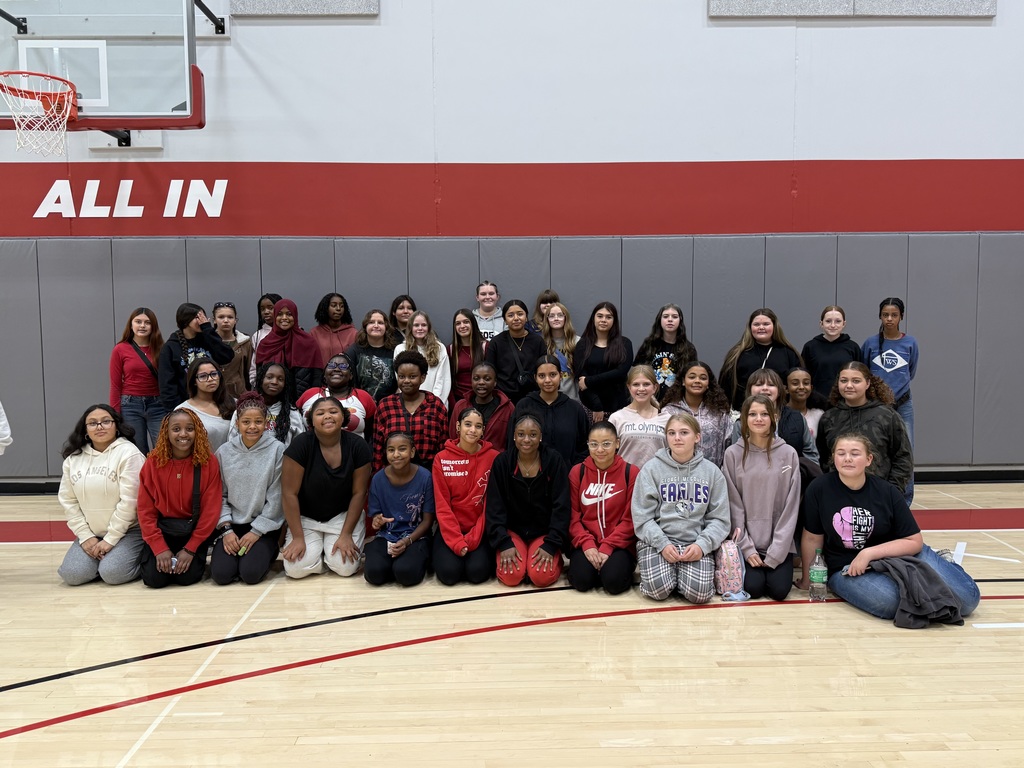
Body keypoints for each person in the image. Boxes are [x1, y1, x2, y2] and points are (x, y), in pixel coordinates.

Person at [798, 434, 979, 622]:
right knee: (892, 604)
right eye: (841, 453)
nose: (848, 459)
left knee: (968, 601)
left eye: (855, 453)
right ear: (833, 458)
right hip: (846, 567)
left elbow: (914, 541)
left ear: (869, 459)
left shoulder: (887, 491)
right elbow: (812, 538)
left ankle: (944, 563)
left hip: (897, 555)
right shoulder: (819, 489)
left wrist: (868, 553)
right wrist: (807, 580)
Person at [631, 412, 730, 603]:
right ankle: (670, 577)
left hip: (694, 542)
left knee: (700, 595)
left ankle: (679, 577)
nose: (677, 438)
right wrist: (662, 543)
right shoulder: (651, 469)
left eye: (684, 432)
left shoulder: (712, 472)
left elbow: (720, 519)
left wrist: (702, 546)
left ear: (697, 437)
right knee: (657, 591)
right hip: (658, 542)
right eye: (671, 433)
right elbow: (642, 517)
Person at [280, 396, 371, 578]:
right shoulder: (301, 444)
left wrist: (346, 534)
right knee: (295, 570)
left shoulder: (358, 446)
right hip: (306, 518)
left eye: (333, 411)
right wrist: (298, 537)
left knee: (345, 568)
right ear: (311, 420)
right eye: (320, 413)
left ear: (343, 416)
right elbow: (289, 493)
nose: (327, 416)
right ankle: (321, 558)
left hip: (342, 517)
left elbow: (359, 493)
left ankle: (328, 553)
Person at [56, 404, 146, 586]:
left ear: (116, 426)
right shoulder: (74, 458)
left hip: (129, 530)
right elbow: (68, 501)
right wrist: (85, 536)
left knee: (113, 574)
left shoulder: (129, 454)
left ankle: (139, 558)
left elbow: (130, 502)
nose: (100, 426)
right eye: (93, 423)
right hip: (93, 533)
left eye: (106, 422)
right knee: (72, 575)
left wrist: (111, 539)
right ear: (85, 430)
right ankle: (102, 561)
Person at [722, 395, 800, 601]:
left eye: (764, 414)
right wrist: (746, 549)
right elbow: (733, 506)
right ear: (744, 419)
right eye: (753, 414)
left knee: (779, 591)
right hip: (747, 542)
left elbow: (791, 507)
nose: (759, 419)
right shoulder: (732, 454)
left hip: (779, 543)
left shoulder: (788, 453)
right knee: (753, 589)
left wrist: (777, 551)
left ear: (774, 417)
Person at [137, 409, 222, 588]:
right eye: (176, 429)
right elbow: (145, 511)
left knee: (186, 578)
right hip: (163, 530)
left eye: (189, 428)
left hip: (192, 531)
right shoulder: (152, 463)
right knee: (154, 580)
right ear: (166, 433)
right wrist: (159, 547)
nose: (183, 434)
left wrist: (191, 547)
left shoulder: (208, 462)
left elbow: (210, 512)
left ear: (197, 431)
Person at [487, 414, 571, 587]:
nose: (527, 439)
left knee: (542, 577)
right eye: (521, 434)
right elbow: (495, 507)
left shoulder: (554, 461)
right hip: (513, 532)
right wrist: (503, 542)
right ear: (514, 436)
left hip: (544, 533)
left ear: (540, 437)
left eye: (533, 434)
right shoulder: (502, 463)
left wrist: (551, 544)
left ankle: (552, 559)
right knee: (511, 577)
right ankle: (523, 560)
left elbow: (561, 506)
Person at [211, 392, 284, 585]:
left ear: (266, 423)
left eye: (258, 421)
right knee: (221, 575)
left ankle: (268, 549)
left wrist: (257, 532)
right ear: (237, 424)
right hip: (232, 527)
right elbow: (219, 495)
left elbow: (277, 497)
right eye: (246, 422)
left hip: (263, 528)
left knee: (250, 574)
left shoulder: (277, 450)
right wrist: (226, 531)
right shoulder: (223, 453)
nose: (252, 427)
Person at [816, 362, 913, 498]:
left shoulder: (887, 416)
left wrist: (892, 492)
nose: (849, 385)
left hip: (879, 494)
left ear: (867, 383)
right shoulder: (829, 418)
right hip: (838, 494)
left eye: (856, 381)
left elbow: (903, 457)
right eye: (844, 381)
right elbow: (823, 458)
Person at [568, 421, 637, 594]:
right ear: (588, 445)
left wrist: (608, 546)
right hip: (586, 541)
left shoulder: (631, 472)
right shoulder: (577, 472)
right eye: (594, 444)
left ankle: (613, 568)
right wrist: (587, 544)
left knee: (613, 583)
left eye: (606, 444)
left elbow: (630, 519)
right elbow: (572, 517)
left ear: (617, 443)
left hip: (619, 544)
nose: (600, 450)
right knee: (582, 581)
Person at [433, 407, 500, 585]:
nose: (472, 430)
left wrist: (471, 539)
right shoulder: (442, 458)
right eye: (468, 424)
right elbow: (442, 505)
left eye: (478, 426)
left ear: (483, 430)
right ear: (458, 426)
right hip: (450, 529)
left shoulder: (494, 458)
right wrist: (456, 540)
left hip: (480, 530)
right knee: (449, 574)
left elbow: (490, 506)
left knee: (478, 573)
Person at [364, 432, 436, 587]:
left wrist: (407, 541)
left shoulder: (425, 477)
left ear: (412, 452)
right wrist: (377, 520)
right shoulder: (378, 479)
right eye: (391, 450)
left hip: (416, 537)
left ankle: (410, 561)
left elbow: (427, 521)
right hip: (387, 535)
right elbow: (376, 517)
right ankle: (388, 563)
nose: (396, 454)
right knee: (374, 574)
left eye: (402, 449)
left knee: (406, 574)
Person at [372, 350, 448, 471]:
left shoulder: (436, 406)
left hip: (428, 475)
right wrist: (378, 476)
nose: (406, 380)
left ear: (422, 377)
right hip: (393, 475)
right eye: (402, 376)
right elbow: (378, 447)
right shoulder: (385, 406)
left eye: (412, 376)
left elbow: (443, 447)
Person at [509, 354, 589, 467]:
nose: (547, 380)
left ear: (560, 376)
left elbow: (584, 448)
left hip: (567, 477)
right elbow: (512, 443)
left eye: (552, 375)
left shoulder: (575, 409)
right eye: (542, 376)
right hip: (530, 476)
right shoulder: (524, 406)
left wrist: (574, 472)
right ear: (535, 378)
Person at [861, 297, 919, 450]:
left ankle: (905, 476)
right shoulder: (870, 343)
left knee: (907, 447)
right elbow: (864, 372)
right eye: (885, 314)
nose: (889, 319)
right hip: (876, 403)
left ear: (901, 316)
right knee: (875, 446)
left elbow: (910, 372)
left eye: (894, 315)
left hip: (903, 403)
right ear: (880, 316)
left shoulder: (910, 343)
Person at [719, 308, 803, 411]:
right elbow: (725, 387)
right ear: (750, 327)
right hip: (745, 411)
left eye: (766, 324)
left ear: (774, 326)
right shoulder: (736, 354)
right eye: (757, 324)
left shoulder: (788, 353)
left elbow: (797, 384)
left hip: (780, 412)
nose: (761, 327)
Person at [158, 302, 234, 413]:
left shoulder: (208, 338)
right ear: (186, 320)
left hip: (213, 402)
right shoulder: (170, 347)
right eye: (198, 317)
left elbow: (226, 356)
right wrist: (176, 410)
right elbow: (167, 384)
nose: (202, 320)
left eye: (204, 317)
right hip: (185, 405)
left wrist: (207, 329)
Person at [109, 306, 165, 453]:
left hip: (158, 405)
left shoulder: (161, 348)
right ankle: (139, 477)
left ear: (153, 326)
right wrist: (115, 414)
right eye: (138, 321)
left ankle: (158, 477)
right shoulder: (120, 349)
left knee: (163, 449)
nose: (142, 326)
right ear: (131, 324)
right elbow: (115, 385)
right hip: (130, 405)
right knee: (136, 451)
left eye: (147, 322)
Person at [661, 361, 733, 468]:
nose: (697, 381)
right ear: (683, 381)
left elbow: (728, 445)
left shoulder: (719, 413)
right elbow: (663, 446)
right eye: (692, 377)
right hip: (676, 475)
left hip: (712, 476)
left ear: (708, 383)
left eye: (703, 378)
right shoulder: (669, 411)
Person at [737, 368, 818, 463]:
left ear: (779, 390)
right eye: (759, 384)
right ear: (749, 390)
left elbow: (811, 456)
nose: (765, 388)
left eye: (771, 385)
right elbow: (737, 459)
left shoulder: (797, 418)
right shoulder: (741, 422)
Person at [254, 298, 323, 403]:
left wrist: (311, 403)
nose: (284, 318)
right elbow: (260, 378)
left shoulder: (308, 342)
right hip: (272, 405)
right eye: (280, 314)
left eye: (289, 314)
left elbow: (317, 378)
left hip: (302, 403)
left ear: (295, 316)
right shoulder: (265, 344)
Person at [574, 302, 634, 421]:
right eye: (600, 316)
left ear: (614, 320)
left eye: (608, 317)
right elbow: (581, 380)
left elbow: (621, 373)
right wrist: (597, 406)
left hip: (619, 408)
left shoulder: (625, 344)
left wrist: (589, 380)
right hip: (591, 407)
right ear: (593, 318)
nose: (603, 320)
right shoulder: (583, 345)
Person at [296, 353, 376, 440]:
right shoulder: (309, 394)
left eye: (343, 366)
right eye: (331, 365)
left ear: (351, 375)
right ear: (324, 374)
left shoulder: (363, 396)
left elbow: (371, 429)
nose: (336, 369)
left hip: (353, 451)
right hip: (311, 450)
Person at [483, 299, 546, 404]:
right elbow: (490, 371)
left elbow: (543, 368)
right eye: (510, 315)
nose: (516, 318)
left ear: (526, 317)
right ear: (505, 320)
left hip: (533, 398)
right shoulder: (496, 342)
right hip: (504, 399)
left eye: (520, 314)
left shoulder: (537, 341)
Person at [632, 303, 698, 401]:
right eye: (666, 316)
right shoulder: (649, 344)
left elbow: (692, 377)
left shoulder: (688, 348)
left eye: (674, 317)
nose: (670, 319)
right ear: (660, 320)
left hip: (677, 401)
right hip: (649, 400)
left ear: (680, 321)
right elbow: (636, 372)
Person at [609, 364, 670, 468]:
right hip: (626, 479)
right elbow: (608, 454)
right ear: (629, 387)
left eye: (646, 384)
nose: (641, 389)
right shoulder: (616, 418)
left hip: (657, 479)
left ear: (655, 387)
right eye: (636, 384)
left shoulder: (666, 418)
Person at [235, 362, 305, 446]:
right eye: (269, 377)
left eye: (280, 379)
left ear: (285, 384)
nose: (274, 382)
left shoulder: (292, 413)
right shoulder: (244, 408)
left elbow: (300, 445)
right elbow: (232, 440)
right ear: (261, 379)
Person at [800, 305, 862, 400]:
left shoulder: (853, 347)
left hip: (846, 401)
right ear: (821, 323)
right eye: (828, 321)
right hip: (817, 401)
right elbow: (804, 375)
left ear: (844, 324)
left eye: (838, 321)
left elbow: (860, 375)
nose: (833, 325)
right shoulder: (810, 346)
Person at [447, 362, 514, 446]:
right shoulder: (460, 406)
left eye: (487, 379)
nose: (481, 382)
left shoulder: (507, 408)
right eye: (476, 378)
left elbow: (511, 442)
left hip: (496, 458)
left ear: (495, 382)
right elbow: (453, 437)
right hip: (465, 457)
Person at [177, 358, 234, 452]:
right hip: (203, 464)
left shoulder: (233, 403)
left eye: (214, 374)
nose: (210, 379)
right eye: (203, 376)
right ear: (194, 381)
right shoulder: (183, 411)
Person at [394, 310, 452, 403]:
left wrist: (434, 403)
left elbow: (442, 380)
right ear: (410, 327)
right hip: (409, 403)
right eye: (416, 325)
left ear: (428, 327)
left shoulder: (440, 348)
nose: (420, 328)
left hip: (435, 404)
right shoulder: (400, 349)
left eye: (424, 325)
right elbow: (402, 380)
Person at [346, 308, 399, 402]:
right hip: (359, 402)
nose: (376, 325)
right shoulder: (354, 350)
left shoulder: (395, 350)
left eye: (380, 323)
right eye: (371, 322)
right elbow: (349, 381)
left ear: (386, 327)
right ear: (365, 326)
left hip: (390, 403)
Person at [211, 301, 253, 400]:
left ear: (235, 320)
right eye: (221, 317)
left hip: (238, 395)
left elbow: (249, 371)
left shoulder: (244, 342)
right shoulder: (207, 341)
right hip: (213, 395)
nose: (226, 320)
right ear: (214, 320)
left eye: (230, 317)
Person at [541, 302, 581, 401]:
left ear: (565, 318)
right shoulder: (541, 343)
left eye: (560, 315)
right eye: (551, 316)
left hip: (574, 398)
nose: (556, 319)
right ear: (547, 319)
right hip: (549, 399)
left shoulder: (577, 342)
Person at [448, 308, 486, 408]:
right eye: (458, 323)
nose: (462, 326)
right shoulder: (451, 350)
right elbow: (448, 382)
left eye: (466, 322)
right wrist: (455, 405)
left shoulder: (485, 347)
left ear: (473, 324)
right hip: (459, 401)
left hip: (482, 401)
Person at [310, 292, 357, 364]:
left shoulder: (353, 333)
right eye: (333, 305)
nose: (338, 309)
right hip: (321, 374)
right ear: (325, 308)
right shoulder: (314, 333)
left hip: (345, 374)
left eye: (341, 306)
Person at [248, 292, 283, 386]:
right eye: (262, 309)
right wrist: (255, 383)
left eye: (270, 308)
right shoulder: (258, 335)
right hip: (265, 385)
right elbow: (254, 364)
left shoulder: (289, 332)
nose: (266, 312)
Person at [786, 366, 828, 439]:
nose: (801, 387)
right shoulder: (778, 414)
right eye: (795, 383)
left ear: (811, 388)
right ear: (786, 389)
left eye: (806, 383)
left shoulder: (819, 415)